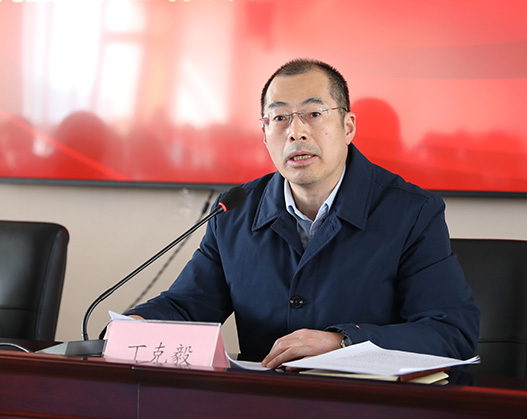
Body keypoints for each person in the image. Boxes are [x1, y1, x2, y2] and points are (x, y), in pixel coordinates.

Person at [125, 59, 480, 369]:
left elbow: (450, 333)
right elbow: (189, 305)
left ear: (348, 127)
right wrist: (134, 325)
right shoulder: (234, 212)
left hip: (367, 404)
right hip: (265, 402)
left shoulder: (412, 212)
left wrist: (344, 342)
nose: (296, 132)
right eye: (280, 118)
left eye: (314, 114)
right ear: (265, 134)